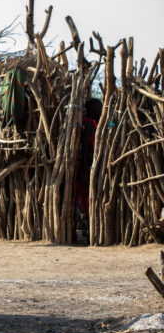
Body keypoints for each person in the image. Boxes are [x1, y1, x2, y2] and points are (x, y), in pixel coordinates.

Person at [75, 98, 103, 241]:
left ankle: (89, 228)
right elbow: (85, 148)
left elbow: (109, 125)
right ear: (93, 110)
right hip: (87, 166)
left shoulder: (95, 123)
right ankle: (87, 228)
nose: (101, 110)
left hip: (91, 165)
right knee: (86, 198)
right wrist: (86, 168)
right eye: (99, 108)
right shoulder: (89, 124)